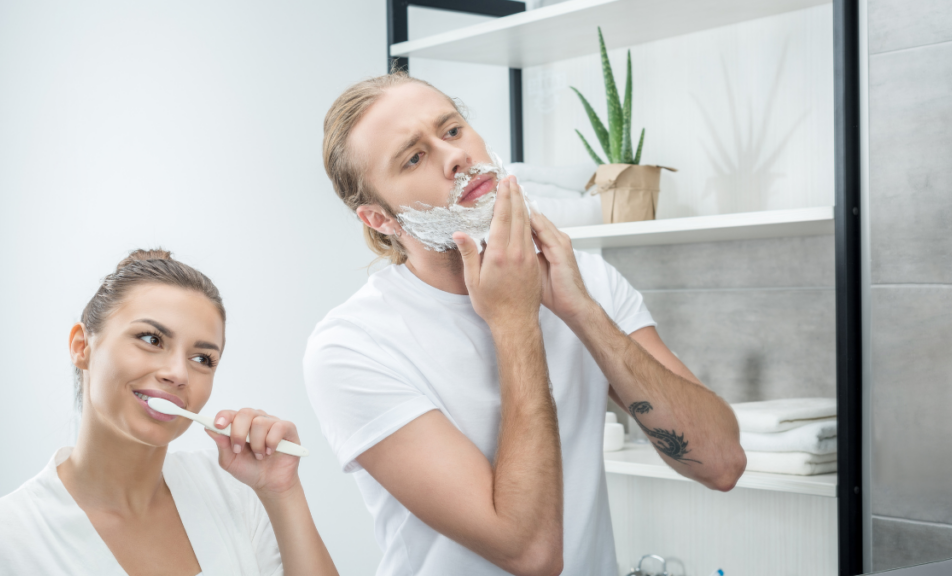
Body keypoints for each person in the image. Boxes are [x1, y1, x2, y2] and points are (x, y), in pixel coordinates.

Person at [305, 72, 747, 576]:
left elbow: (722, 463)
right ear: (380, 219)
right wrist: (514, 321)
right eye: (414, 157)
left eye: (452, 131)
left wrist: (581, 311)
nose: (456, 157)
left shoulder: (586, 280)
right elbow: (530, 554)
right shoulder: (353, 347)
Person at [0, 249, 338, 576]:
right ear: (82, 347)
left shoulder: (235, 495)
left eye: (202, 359)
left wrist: (283, 493)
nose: (178, 374)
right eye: (151, 339)